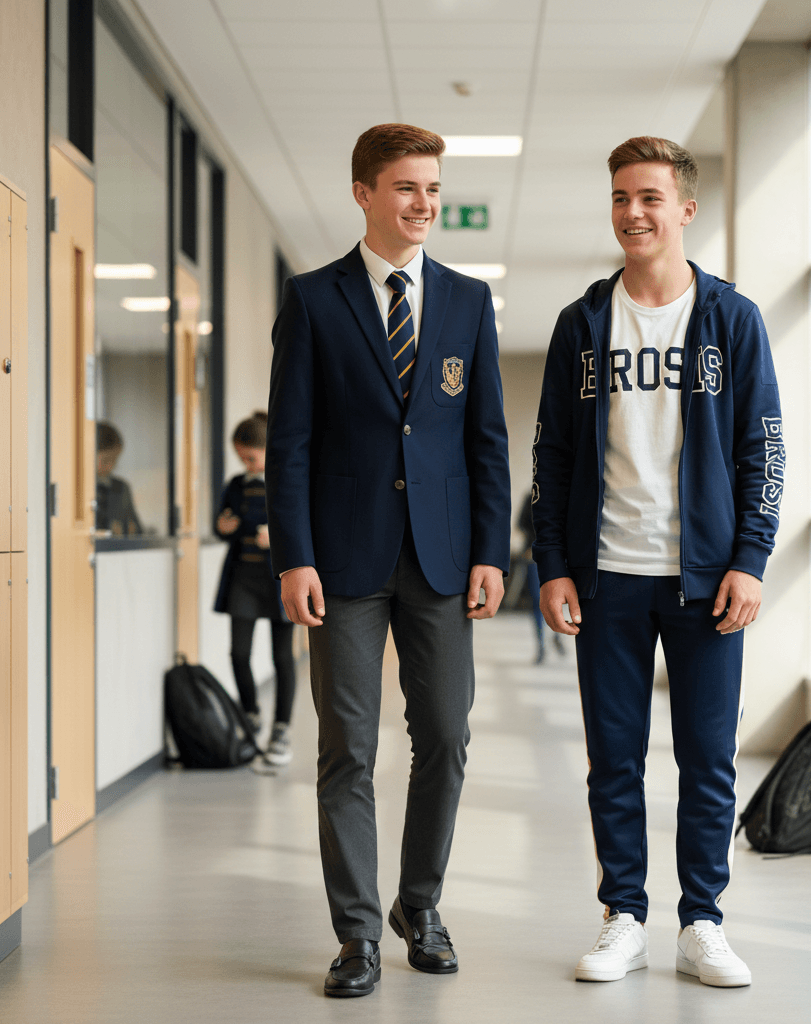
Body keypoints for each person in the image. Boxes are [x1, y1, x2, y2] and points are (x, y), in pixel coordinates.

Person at [265, 123, 511, 999]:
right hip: (344, 563)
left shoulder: (466, 302)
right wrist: (294, 557)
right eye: (407, 187)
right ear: (365, 193)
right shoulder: (312, 299)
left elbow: (487, 441)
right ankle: (359, 934)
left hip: (443, 561)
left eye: (434, 189)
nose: (424, 204)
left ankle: (422, 904)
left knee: (445, 735)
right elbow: (288, 446)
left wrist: (493, 551)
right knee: (347, 750)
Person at [531, 137, 783, 989]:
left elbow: (764, 447)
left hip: (706, 579)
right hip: (607, 576)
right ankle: (624, 915)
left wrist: (750, 557)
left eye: (648, 197)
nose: (632, 213)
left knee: (708, 758)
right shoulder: (581, 324)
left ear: (685, 209)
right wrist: (553, 564)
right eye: (619, 198)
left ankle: (702, 922)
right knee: (614, 757)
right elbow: (553, 458)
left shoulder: (730, 319)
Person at [213, 411, 296, 767]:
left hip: (279, 580)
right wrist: (224, 526)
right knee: (238, 653)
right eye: (241, 457)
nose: (246, 464)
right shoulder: (235, 485)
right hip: (242, 580)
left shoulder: (286, 480)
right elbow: (221, 525)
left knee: (282, 658)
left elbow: (299, 528)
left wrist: (275, 541)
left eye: (251, 457)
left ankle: (281, 728)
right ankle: (250, 713)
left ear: (268, 451)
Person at [516, 490, 563, 664]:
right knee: (537, 601)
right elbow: (520, 523)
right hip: (533, 554)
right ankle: (541, 645)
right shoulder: (530, 498)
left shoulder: (561, 496)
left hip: (556, 557)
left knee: (557, 598)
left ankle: (557, 633)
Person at [95, 421, 143, 536]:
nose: (111, 466)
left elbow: (137, 530)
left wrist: (126, 531)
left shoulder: (121, 488)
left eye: (115, 460)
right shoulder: (78, 490)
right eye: (106, 460)